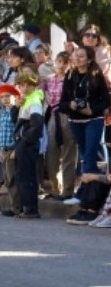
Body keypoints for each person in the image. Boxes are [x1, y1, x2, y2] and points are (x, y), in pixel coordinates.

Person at [59, 45, 110, 219]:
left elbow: (106, 100)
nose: (78, 58)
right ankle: (86, 193)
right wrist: (71, 105)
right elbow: (62, 103)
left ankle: (85, 199)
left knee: (89, 155)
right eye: (76, 55)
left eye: (82, 56)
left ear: (89, 59)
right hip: (75, 120)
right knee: (84, 156)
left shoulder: (96, 75)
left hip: (93, 120)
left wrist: (92, 110)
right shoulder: (70, 75)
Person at [44, 51, 78, 201]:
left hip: (69, 115)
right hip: (53, 115)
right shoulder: (49, 79)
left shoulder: (72, 79)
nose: (61, 65)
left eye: (65, 62)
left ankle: (68, 190)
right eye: (59, 61)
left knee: (69, 153)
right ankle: (54, 188)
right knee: (51, 152)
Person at [12, 73, 45, 219]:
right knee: (22, 176)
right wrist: (15, 107)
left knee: (27, 177)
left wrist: (24, 142)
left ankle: (31, 208)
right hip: (22, 141)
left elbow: (36, 125)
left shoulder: (34, 99)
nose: (25, 88)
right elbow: (16, 121)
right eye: (22, 85)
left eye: (28, 85)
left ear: (33, 86)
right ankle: (25, 207)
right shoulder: (25, 100)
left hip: (27, 144)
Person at [0, 84, 22, 217]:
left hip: (13, 148)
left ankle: (18, 208)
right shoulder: (2, 112)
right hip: (5, 149)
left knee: (13, 179)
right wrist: (1, 150)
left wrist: (16, 149)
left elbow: (19, 132)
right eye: (2, 97)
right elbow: (1, 132)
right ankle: (14, 206)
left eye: (8, 96)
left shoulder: (16, 111)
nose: (5, 99)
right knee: (7, 180)